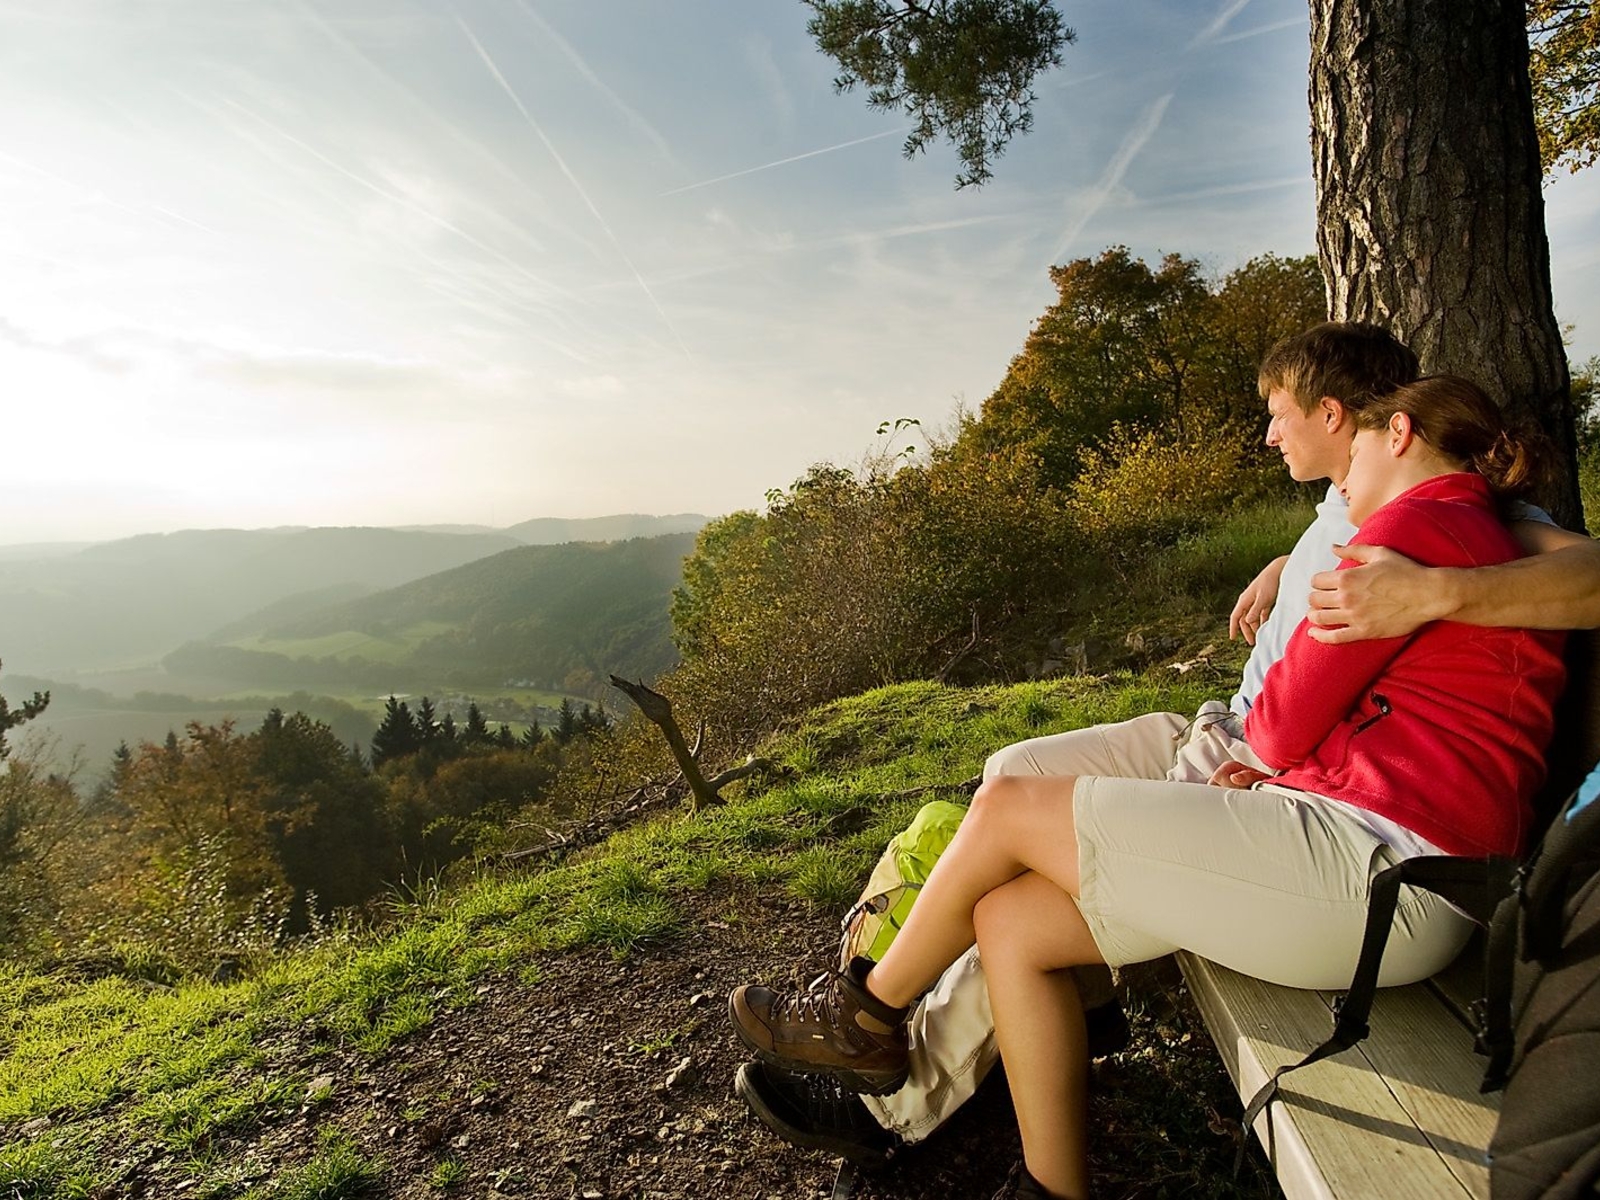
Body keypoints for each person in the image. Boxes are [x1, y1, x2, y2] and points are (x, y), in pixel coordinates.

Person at [728, 373, 1567, 1199]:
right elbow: (1401, 727)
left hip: (1388, 878)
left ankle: (866, 1016)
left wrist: (1279, 750)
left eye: (1358, 457)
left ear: (1400, 434)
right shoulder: (1456, 531)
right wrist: (1281, 767)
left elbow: (1284, 722)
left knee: (1008, 808)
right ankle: (1050, 1185)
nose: (1346, 481)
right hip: (1387, 862)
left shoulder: (1408, 531)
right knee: (1012, 920)